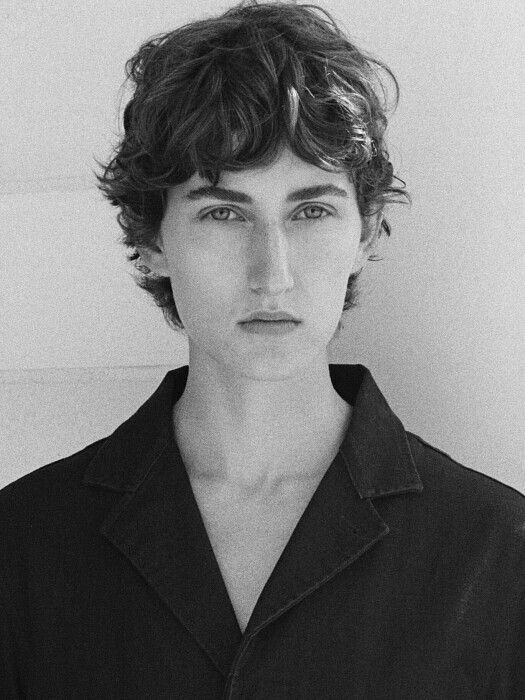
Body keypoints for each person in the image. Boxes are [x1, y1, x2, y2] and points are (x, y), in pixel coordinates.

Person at [1, 1, 523, 697]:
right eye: (223, 212)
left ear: (365, 231)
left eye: (311, 211)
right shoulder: (24, 547)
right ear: (152, 239)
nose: (271, 274)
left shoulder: (496, 552)